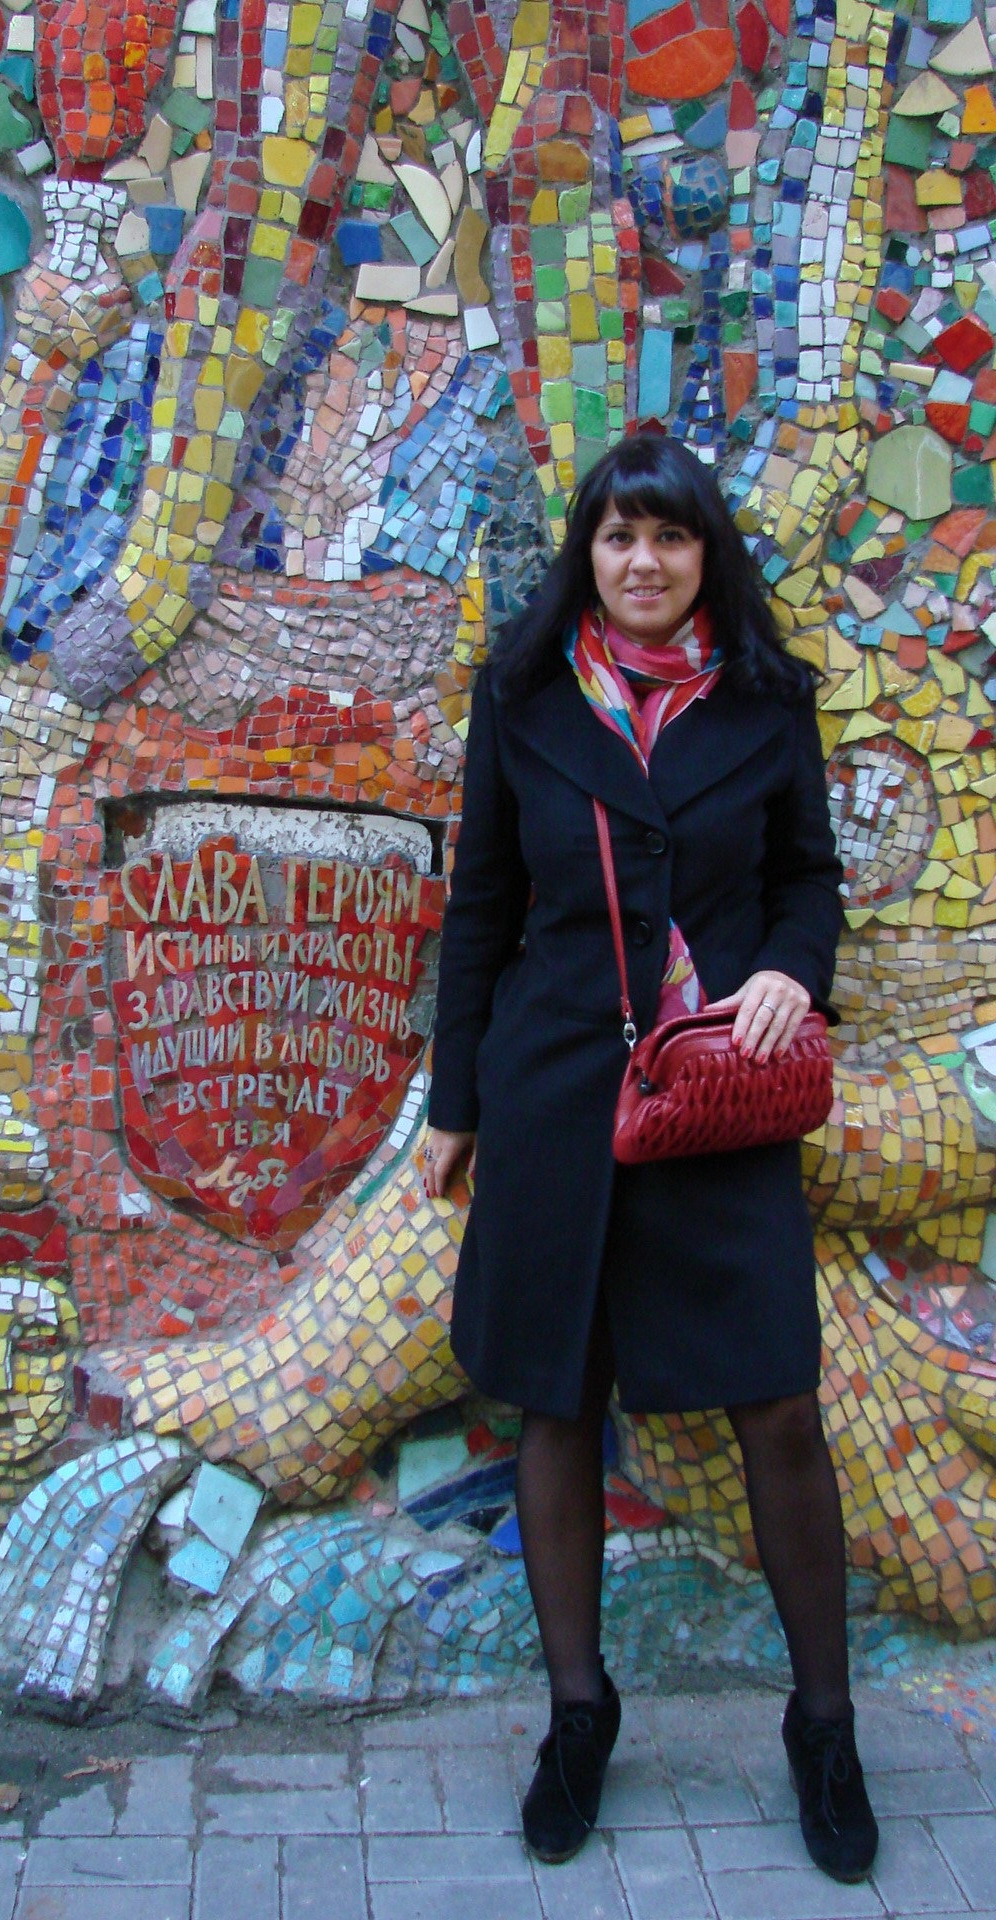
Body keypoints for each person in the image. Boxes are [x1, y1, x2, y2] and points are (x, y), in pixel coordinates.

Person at [421, 433, 879, 1881]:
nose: (642, 562)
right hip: (556, 1092)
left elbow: (808, 879)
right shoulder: (523, 697)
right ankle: (579, 1715)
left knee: (779, 1406)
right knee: (555, 1403)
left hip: (716, 1094)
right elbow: (482, 905)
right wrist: (454, 1102)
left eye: (670, 538)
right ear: (590, 551)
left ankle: (823, 1725)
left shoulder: (767, 699)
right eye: (619, 536)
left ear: (704, 555)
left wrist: (793, 969)